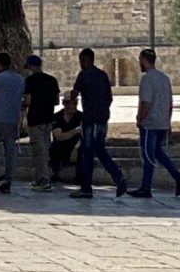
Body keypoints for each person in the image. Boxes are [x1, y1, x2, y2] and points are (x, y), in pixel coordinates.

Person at [128, 49, 180, 198]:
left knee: (148, 155)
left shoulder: (147, 79)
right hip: (162, 122)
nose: (139, 63)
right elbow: (170, 103)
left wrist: (140, 118)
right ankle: (178, 177)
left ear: (144, 60)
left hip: (150, 123)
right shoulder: (164, 78)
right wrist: (168, 122)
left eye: (140, 60)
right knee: (158, 153)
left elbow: (146, 102)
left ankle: (146, 187)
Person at [70, 48, 127, 199]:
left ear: (85, 59)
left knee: (88, 152)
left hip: (90, 119)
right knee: (100, 150)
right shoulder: (103, 75)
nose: (80, 63)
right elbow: (110, 98)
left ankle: (86, 188)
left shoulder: (83, 75)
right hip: (103, 118)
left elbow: (74, 94)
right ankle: (118, 177)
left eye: (81, 60)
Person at [0, 52, 25, 194]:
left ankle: (0, 175)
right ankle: (8, 180)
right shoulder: (20, 79)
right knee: (10, 150)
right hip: (13, 118)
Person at [22, 55, 60, 192]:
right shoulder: (52, 80)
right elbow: (57, 101)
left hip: (35, 119)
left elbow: (27, 101)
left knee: (39, 151)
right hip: (48, 119)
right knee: (44, 148)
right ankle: (39, 178)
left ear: (31, 67)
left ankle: (44, 179)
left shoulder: (30, 81)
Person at [50, 92, 83, 184]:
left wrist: (75, 148)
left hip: (76, 145)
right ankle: (56, 173)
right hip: (62, 145)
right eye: (69, 103)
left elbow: (84, 136)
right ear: (64, 103)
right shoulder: (57, 117)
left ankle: (79, 176)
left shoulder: (81, 116)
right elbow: (59, 136)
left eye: (75, 103)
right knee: (54, 147)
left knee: (84, 149)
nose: (72, 105)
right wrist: (76, 130)